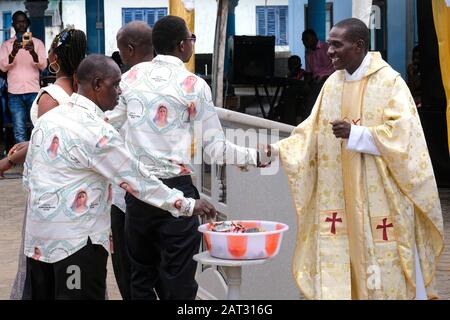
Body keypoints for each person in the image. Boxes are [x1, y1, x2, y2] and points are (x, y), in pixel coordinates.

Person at [264, 18, 444, 299]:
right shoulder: (331, 85)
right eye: (330, 45)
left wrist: (357, 133)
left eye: (337, 45)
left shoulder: (390, 83)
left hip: (380, 198)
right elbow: (310, 131)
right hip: (340, 197)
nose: (330, 51)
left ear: (358, 46)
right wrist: (275, 151)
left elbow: (404, 137)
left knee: (386, 268)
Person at [23, 54, 216, 300]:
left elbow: (28, 178)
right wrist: (188, 204)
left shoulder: (48, 119)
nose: (120, 92)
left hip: (39, 242)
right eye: (115, 85)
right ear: (96, 84)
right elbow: (137, 180)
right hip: (77, 246)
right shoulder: (97, 132)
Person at [105, 15, 263, 300]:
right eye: (191, 39)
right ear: (181, 46)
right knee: (179, 281)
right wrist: (255, 156)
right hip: (178, 191)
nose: (192, 44)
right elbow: (215, 148)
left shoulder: (128, 80)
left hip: (138, 195)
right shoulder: (193, 85)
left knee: (140, 277)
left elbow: (106, 127)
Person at [5, 28, 87, 300]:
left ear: (52, 56)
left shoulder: (50, 96)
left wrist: (9, 160)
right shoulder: (86, 93)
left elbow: (50, 151)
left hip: (51, 191)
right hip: (80, 190)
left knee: (45, 265)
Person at [0, 11, 47, 144]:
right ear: (13, 24)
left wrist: (33, 53)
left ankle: (36, 158)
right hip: (14, 93)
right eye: (17, 22)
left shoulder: (37, 44)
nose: (21, 25)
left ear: (27, 23)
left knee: (36, 127)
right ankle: (22, 161)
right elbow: (3, 67)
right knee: (19, 129)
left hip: (33, 91)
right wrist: (13, 53)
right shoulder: (6, 45)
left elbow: (43, 66)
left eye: (23, 21)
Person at [302, 29, 335, 118]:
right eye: (303, 40)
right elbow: (308, 72)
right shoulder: (307, 52)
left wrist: (328, 76)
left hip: (328, 79)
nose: (304, 42)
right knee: (293, 91)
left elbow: (337, 66)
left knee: (313, 96)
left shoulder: (327, 47)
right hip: (315, 80)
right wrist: (305, 84)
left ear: (314, 38)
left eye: (306, 39)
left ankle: (308, 119)